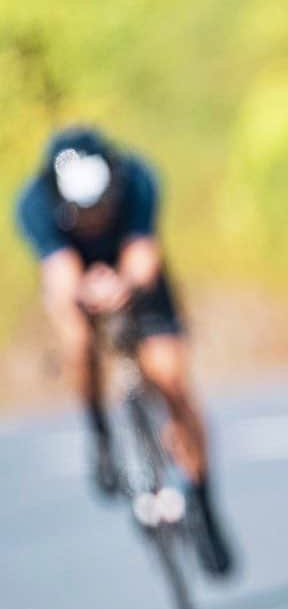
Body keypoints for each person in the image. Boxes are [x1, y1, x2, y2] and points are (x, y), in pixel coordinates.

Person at [14, 126, 232, 576]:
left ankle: (202, 498)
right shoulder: (35, 202)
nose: (93, 217)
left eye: (101, 207)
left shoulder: (137, 179)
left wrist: (126, 285)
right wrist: (84, 294)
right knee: (76, 341)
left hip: (131, 275)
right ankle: (100, 434)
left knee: (170, 377)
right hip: (78, 278)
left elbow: (143, 256)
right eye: (81, 211)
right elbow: (59, 276)